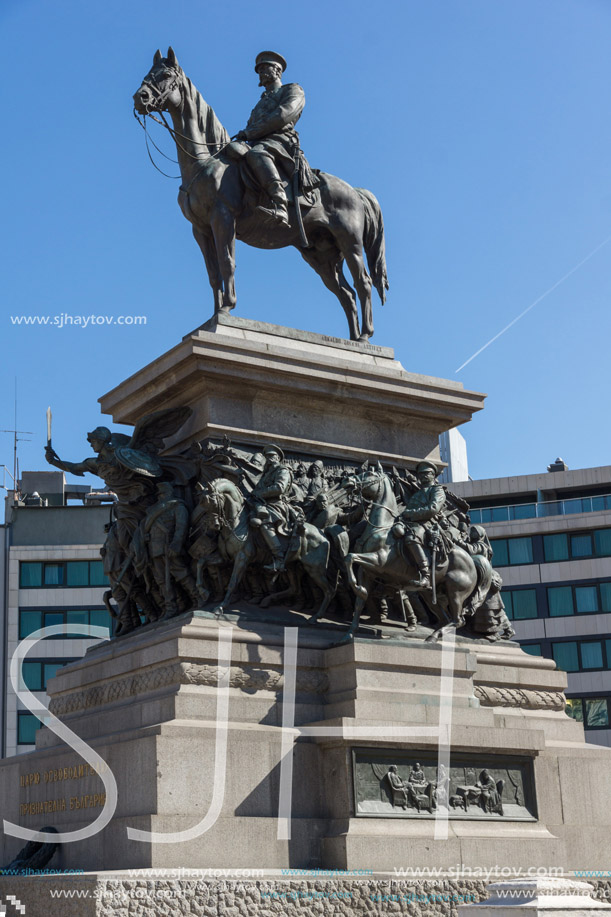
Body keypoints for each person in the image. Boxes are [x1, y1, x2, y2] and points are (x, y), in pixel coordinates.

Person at [234, 51, 306, 226]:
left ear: (277, 71)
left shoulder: (292, 90)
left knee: (257, 154)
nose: (261, 73)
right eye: (259, 70)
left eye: (265, 68)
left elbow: (282, 115)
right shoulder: (260, 103)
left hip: (280, 140)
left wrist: (250, 133)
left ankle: (280, 204)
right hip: (257, 141)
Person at [142, 482, 200, 617]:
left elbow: (182, 527)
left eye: (162, 494)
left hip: (170, 548)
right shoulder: (153, 512)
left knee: (182, 574)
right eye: (159, 495)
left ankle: (199, 597)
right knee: (162, 580)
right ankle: (172, 607)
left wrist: (176, 544)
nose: (160, 497)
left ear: (168, 493)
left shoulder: (177, 507)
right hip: (155, 550)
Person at [249, 444, 299, 573]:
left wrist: (260, 493)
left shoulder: (283, 470)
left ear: (278, 457)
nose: (269, 458)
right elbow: (258, 488)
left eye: (272, 456)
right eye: (267, 456)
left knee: (265, 523)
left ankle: (279, 559)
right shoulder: (267, 473)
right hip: (262, 503)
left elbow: (279, 488)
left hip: (276, 504)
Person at [395, 461, 446, 588]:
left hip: (429, 522)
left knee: (412, 538)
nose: (422, 476)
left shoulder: (437, 490)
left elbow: (433, 509)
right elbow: (407, 510)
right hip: (411, 522)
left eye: (426, 473)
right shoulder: (417, 494)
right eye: (420, 474)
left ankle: (426, 575)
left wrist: (410, 514)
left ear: (433, 475)